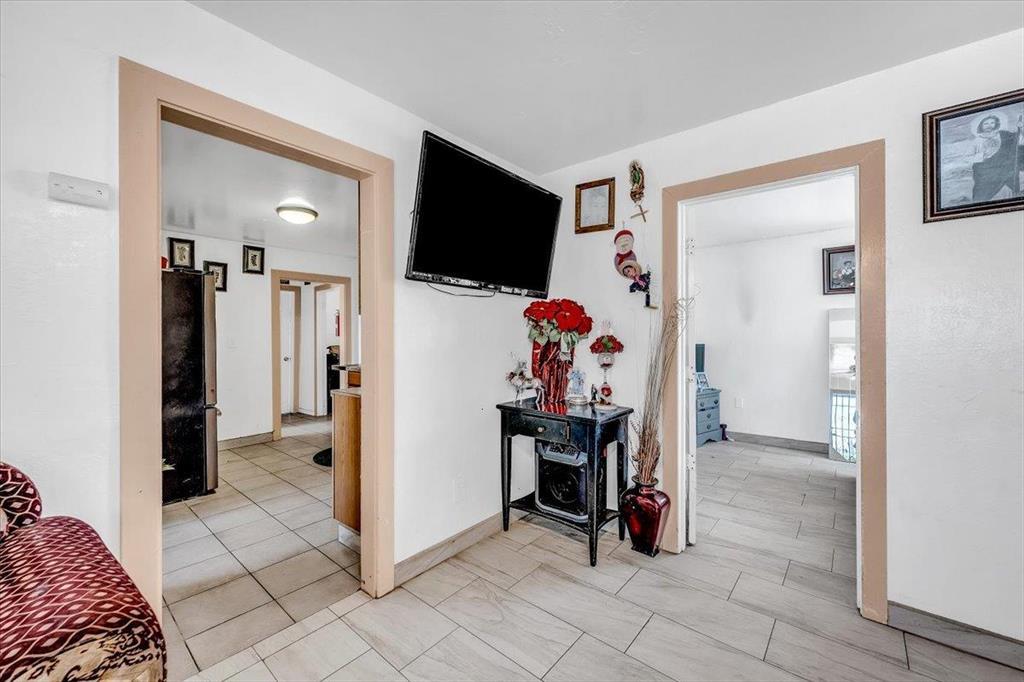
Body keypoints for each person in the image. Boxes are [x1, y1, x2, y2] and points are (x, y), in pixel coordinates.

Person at [969, 112, 1024, 203]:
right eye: (986, 123)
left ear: (996, 124)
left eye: (992, 123)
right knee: (982, 198)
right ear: (981, 125)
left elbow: (1020, 141)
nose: (989, 126)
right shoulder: (977, 141)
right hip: (985, 174)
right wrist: (983, 155)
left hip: (1006, 171)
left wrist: (1021, 128)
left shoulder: (1004, 135)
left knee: (1009, 196)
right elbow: (967, 158)